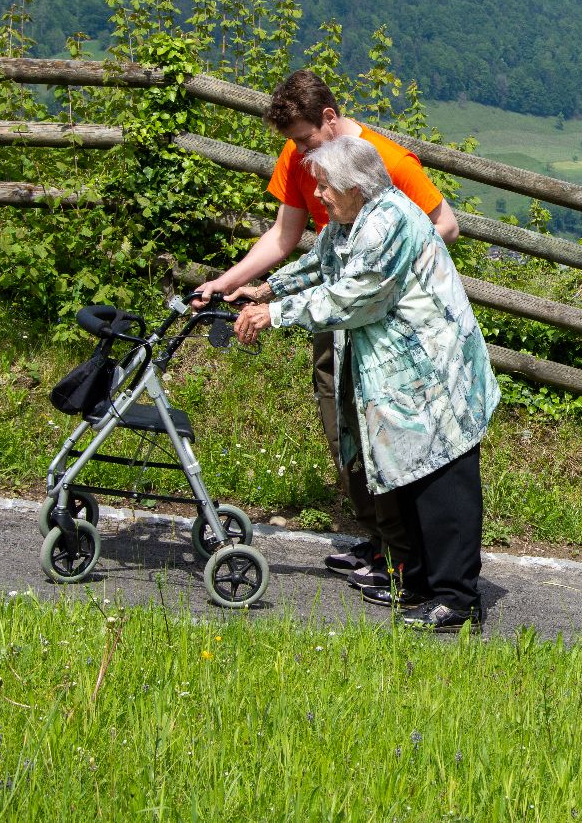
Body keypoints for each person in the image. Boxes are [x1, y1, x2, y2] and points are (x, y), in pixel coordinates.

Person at [193, 69, 459, 586]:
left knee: (383, 429)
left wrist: (386, 279)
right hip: (330, 308)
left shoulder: (389, 160)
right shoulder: (299, 157)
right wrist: (226, 284)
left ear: (330, 119)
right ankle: (381, 541)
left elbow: (443, 224)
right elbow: (284, 236)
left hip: (384, 323)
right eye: (291, 141)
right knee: (342, 428)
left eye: (302, 137)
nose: (296, 150)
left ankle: (405, 555)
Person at [232, 136, 499, 631]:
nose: (320, 196)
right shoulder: (350, 219)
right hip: (404, 378)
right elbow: (324, 263)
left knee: (442, 481)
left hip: (436, 374)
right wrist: (270, 286)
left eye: (326, 186)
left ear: (355, 186)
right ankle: (419, 581)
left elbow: (354, 296)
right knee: (408, 478)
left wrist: (275, 313)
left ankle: (458, 599)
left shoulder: (390, 221)